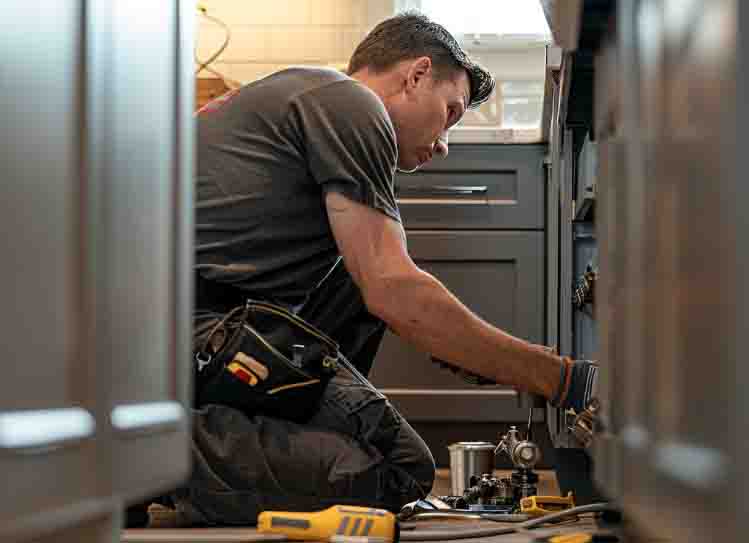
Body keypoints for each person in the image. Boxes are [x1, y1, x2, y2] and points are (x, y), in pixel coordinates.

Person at [165, 11, 598, 526]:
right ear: (415, 76)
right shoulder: (352, 105)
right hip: (189, 336)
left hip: (186, 328)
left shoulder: (309, 97)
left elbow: (384, 292)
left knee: (357, 279)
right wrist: (559, 377)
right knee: (400, 467)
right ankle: (151, 455)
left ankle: (216, 439)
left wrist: (481, 356)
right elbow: (393, 289)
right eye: (450, 112)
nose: (442, 144)